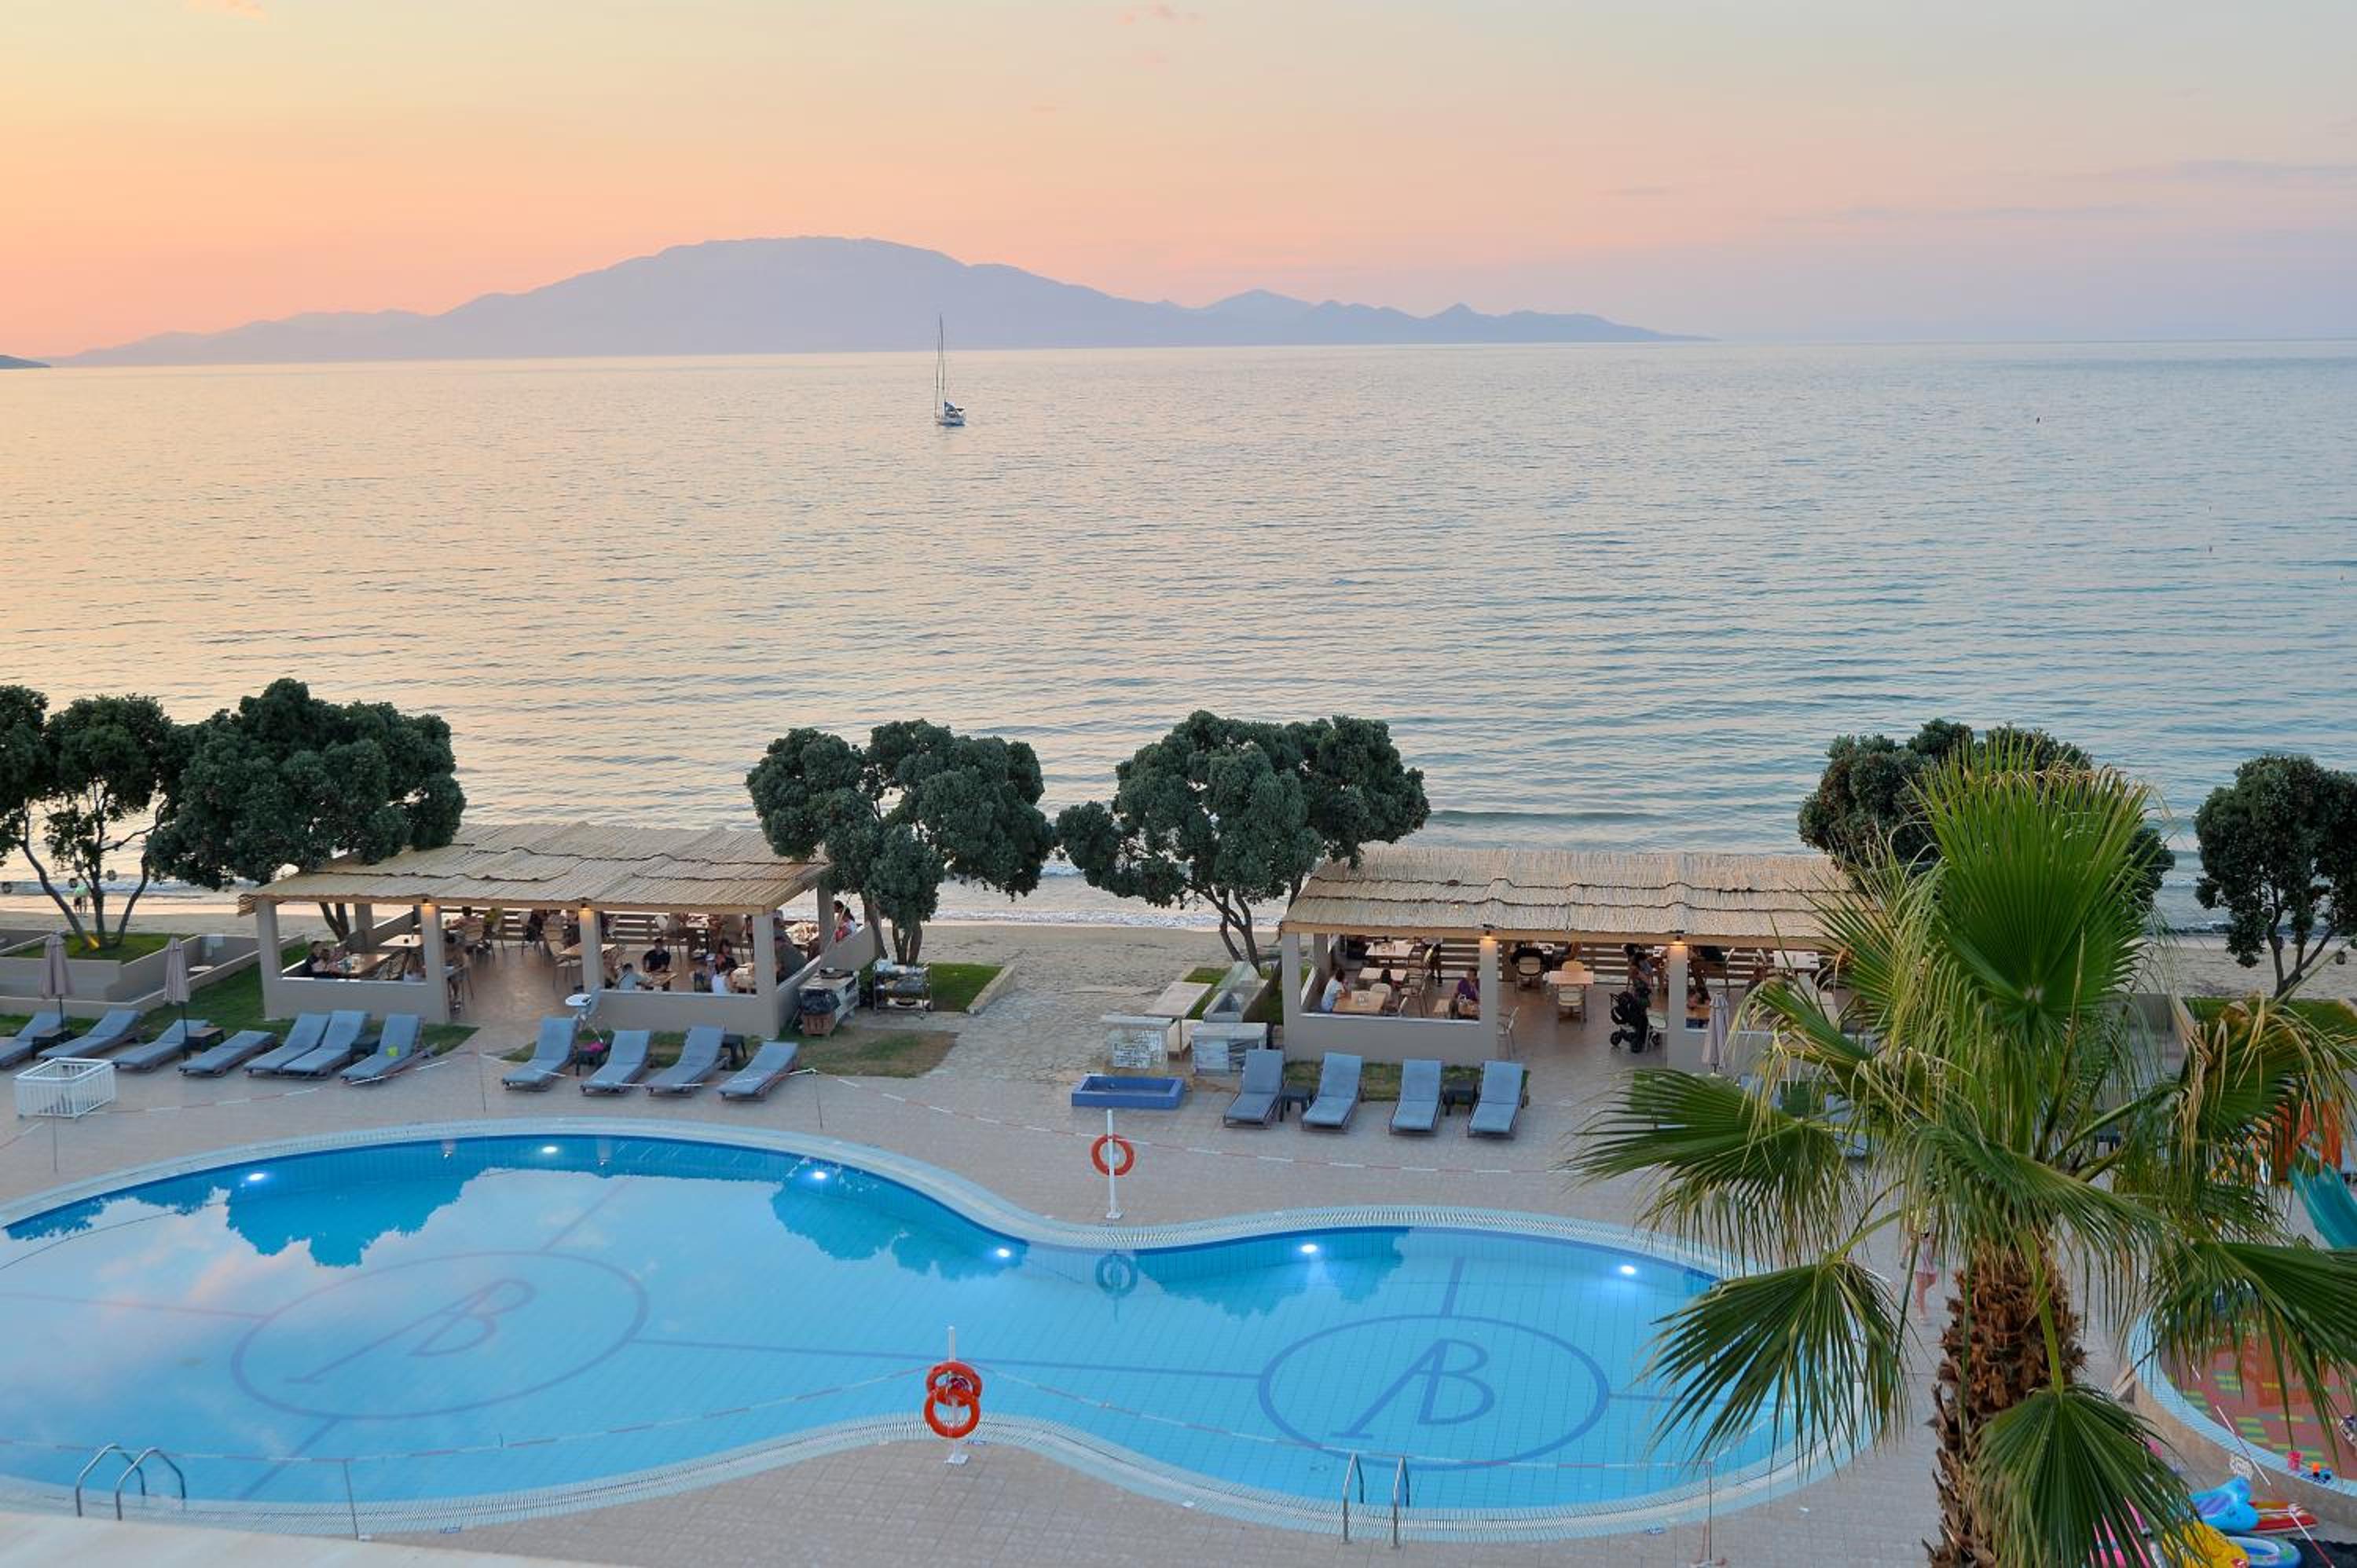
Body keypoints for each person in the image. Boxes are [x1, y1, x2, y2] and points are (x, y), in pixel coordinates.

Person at [1909, 1227, 1941, 1319]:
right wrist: (1903, 1260)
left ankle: (1918, 1294)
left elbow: (1937, 1241)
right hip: (1918, 1257)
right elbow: (1909, 1243)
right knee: (1921, 1283)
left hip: (1930, 1255)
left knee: (1933, 1280)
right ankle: (1922, 1313)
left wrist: (1933, 1243)